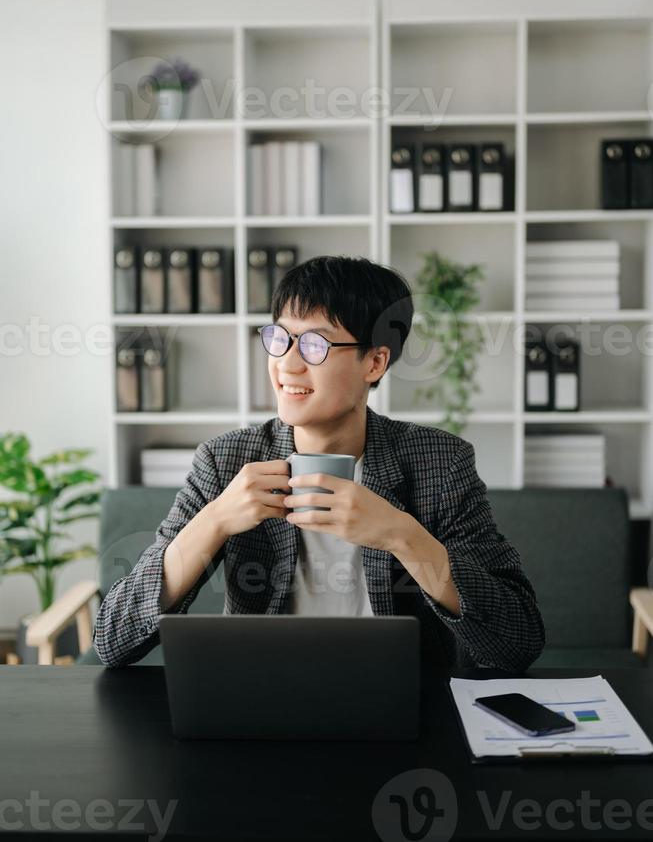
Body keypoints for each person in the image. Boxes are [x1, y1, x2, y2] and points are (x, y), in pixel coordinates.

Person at [93, 255, 545, 669]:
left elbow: (516, 642)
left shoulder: (439, 462)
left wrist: (402, 535)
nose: (287, 365)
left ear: (374, 362)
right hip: (261, 702)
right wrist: (212, 522)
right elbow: (113, 641)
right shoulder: (226, 461)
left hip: (403, 714)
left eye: (315, 345)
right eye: (279, 339)